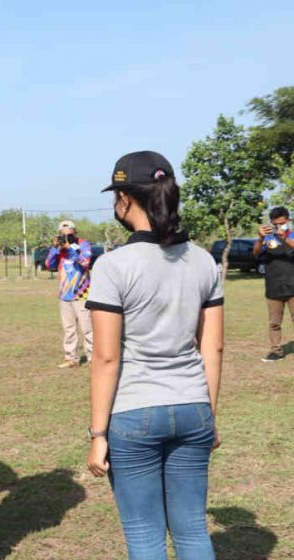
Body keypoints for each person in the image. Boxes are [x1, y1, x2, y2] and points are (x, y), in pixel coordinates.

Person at [86, 151, 224, 559]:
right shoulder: (203, 260)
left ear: (125, 199)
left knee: (146, 538)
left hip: (134, 412)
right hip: (193, 406)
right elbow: (212, 346)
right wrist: (208, 414)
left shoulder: (112, 265)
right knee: (193, 531)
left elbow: (106, 358)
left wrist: (97, 436)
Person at [46, 220, 93, 368]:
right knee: (69, 329)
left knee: (88, 328)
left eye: (70, 235)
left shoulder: (84, 245)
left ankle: (93, 358)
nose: (67, 238)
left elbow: (85, 262)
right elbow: (49, 265)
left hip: (82, 294)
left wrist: (70, 248)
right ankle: (70, 358)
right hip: (64, 295)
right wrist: (55, 249)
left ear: (75, 233)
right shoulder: (59, 249)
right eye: (64, 235)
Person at [252, 206, 294, 362]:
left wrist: (285, 239)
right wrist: (260, 238)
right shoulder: (268, 238)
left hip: (293, 286)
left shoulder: (292, 234)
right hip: (274, 287)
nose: (278, 227)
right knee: (274, 323)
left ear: (288, 221)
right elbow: (256, 253)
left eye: (281, 223)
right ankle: (276, 351)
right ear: (271, 222)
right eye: (275, 224)